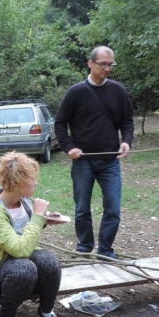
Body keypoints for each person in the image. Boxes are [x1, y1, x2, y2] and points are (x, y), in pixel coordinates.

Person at [0, 151, 65, 317]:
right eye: (33, 180)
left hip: (22, 261)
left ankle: (46, 312)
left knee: (49, 261)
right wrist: (37, 218)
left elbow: (24, 234)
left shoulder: (23, 201)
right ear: (18, 183)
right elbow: (20, 249)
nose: (36, 183)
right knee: (24, 269)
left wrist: (44, 220)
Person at [54, 46, 134, 258]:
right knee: (82, 208)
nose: (107, 68)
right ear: (90, 63)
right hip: (83, 162)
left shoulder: (118, 90)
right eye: (103, 64)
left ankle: (106, 250)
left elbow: (127, 121)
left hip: (110, 161)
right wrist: (69, 147)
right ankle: (84, 247)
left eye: (111, 64)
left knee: (113, 209)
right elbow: (60, 123)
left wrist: (126, 141)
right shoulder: (76, 92)